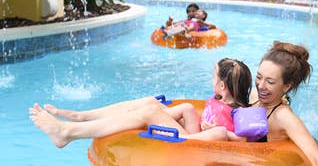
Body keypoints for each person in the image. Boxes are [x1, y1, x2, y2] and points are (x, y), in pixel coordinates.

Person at [29, 58, 252, 148]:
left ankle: (68, 131)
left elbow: (240, 139)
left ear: (223, 87)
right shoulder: (218, 99)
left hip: (195, 145)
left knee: (150, 112)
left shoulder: (240, 112)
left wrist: (219, 131)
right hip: (195, 135)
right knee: (160, 104)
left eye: (214, 77)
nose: (211, 80)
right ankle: (82, 116)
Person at [249, 41, 318, 166]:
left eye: (270, 82)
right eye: (258, 77)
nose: (261, 86)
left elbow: (317, 159)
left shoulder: (283, 117)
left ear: (286, 86)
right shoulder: (253, 97)